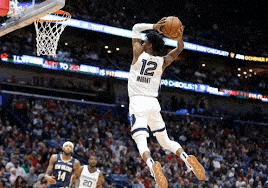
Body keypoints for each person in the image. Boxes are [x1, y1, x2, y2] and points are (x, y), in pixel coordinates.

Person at [128, 17, 206, 188]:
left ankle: (151, 165)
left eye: (144, 41)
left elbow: (135, 27)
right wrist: (179, 36)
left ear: (148, 45)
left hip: (137, 102)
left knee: (141, 141)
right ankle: (186, 158)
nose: (142, 43)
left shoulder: (138, 55)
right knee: (165, 141)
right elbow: (180, 48)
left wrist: (154, 26)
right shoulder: (162, 61)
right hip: (153, 103)